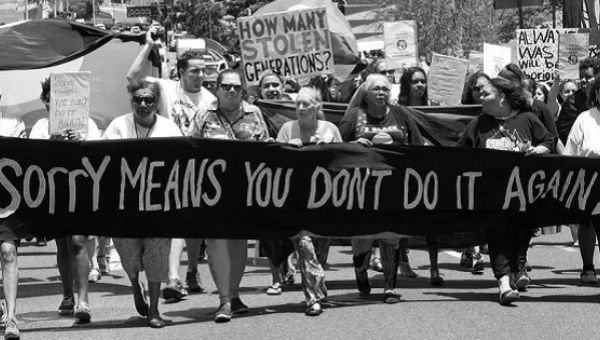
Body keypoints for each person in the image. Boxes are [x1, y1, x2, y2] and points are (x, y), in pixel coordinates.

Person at [127, 27, 213, 299]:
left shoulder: (211, 99)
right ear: (181, 73)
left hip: (197, 167)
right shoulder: (165, 88)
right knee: (175, 221)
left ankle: (189, 271)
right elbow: (133, 78)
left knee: (194, 224)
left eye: (203, 71)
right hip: (165, 166)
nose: (200, 75)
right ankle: (173, 278)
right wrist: (147, 45)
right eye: (194, 71)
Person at [458, 77, 554, 305]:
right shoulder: (479, 123)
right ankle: (504, 284)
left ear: (502, 97)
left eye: (486, 94)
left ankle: (519, 268)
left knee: (521, 234)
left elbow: (549, 140)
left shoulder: (528, 119)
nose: (481, 97)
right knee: (498, 236)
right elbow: (460, 153)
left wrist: (538, 149)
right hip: (491, 197)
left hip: (524, 195)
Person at [190, 69, 270, 322]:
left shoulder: (255, 114)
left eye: (237, 87)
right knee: (216, 243)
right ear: (217, 88)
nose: (232, 91)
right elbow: (189, 150)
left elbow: (267, 148)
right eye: (226, 86)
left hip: (244, 190)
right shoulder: (203, 115)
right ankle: (224, 299)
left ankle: (234, 294)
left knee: (237, 244)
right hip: (211, 192)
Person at [339, 74, 425, 303]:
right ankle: (360, 271)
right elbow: (336, 149)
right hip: (361, 191)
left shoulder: (401, 115)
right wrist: (353, 145)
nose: (381, 93)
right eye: (376, 89)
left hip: (393, 189)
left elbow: (418, 147)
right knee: (363, 240)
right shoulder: (354, 117)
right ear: (366, 93)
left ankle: (389, 286)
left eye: (385, 89)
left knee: (391, 238)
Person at [104, 79, 181, 328]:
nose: (143, 104)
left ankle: (155, 311)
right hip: (124, 205)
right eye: (138, 99)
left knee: (157, 255)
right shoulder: (118, 126)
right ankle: (135, 283)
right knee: (128, 253)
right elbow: (100, 160)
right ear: (132, 101)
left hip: (159, 205)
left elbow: (185, 162)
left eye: (149, 99)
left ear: (157, 102)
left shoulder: (170, 129)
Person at [30, 78, 102, 324]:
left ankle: (83, 300)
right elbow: (32, 159)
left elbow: (101, 157)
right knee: (63, 246)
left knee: (78, 242)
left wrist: (80, 142)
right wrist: (53, 142)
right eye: (51, 98)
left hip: (81, 191)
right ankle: (67, 295)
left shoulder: (87, 124)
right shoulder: (41, 126)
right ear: (45, 102)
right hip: (55, 194)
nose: (56, 102)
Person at [276, 86, 342, 316]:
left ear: (317, 107)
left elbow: (343, 161)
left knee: (319, 251)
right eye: (298, 104)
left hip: (325, 200)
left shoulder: (331, 129)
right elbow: (273, 164)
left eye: (306, 104)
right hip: (295, 201)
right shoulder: (287, 129)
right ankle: (313, 298)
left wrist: (327, 148)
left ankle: (314, 286)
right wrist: (287, 149)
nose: (301, 108)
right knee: (304, 246)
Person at [564, 76, 600, 284]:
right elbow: (572, 150)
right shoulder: (585, 119)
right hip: (588, 178)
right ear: (596, 93)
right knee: (587, 223)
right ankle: (588, 268)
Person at [0, 89, 28, 339]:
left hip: (6, 202)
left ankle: (11, 318)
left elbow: (27, 158)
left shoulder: (13, 124)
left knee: (8, 252)